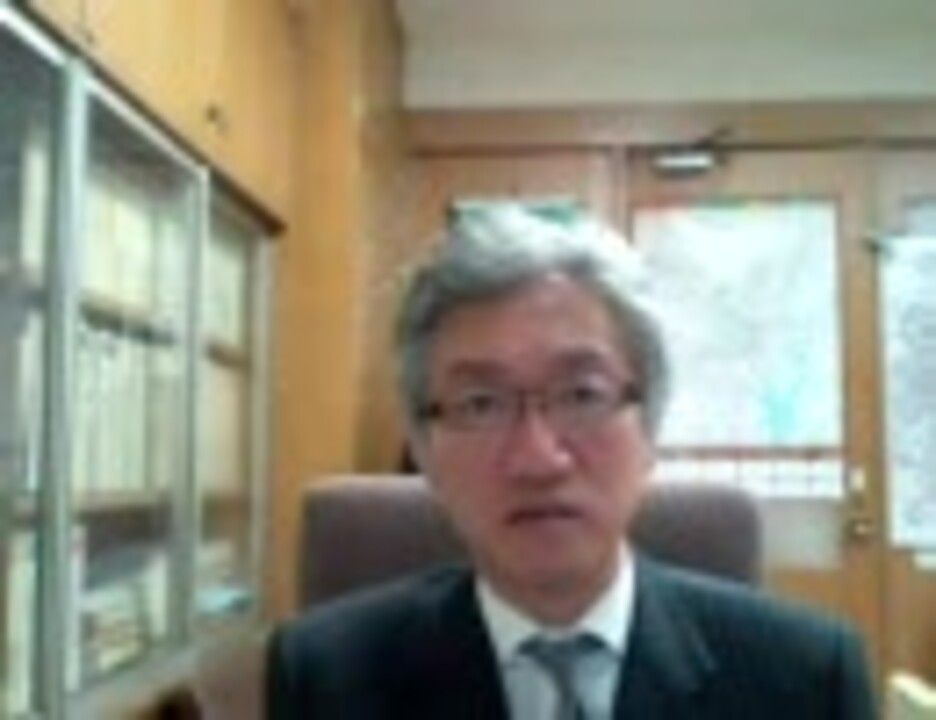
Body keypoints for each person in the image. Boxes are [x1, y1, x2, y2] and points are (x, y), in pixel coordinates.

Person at [266, 205, 876, 719]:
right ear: (424, 452)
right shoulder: (324, 676)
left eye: (583, 395)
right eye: (480, 404)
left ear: (650, 429)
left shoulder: (807, 678)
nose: (538, 459)